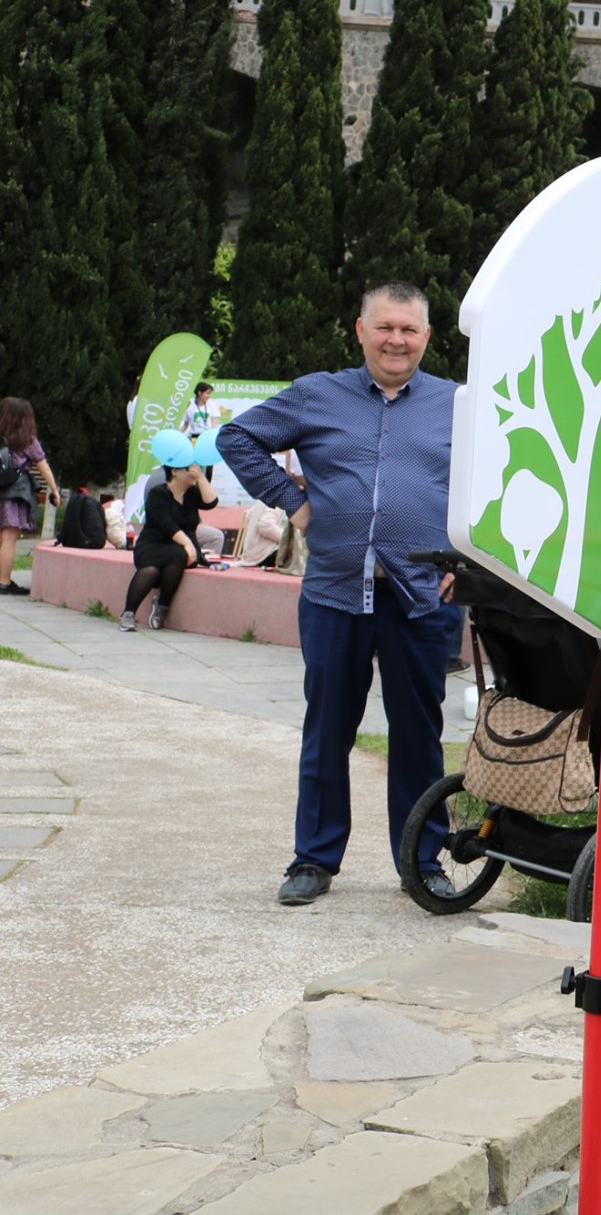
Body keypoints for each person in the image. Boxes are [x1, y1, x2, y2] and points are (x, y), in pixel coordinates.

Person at [217, 282, 465, 909]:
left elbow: (499, 483)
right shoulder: (317, 394)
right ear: (360, 330)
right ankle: (314, 858)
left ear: (427, 337)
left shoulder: (459, 406)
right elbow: (237, 438)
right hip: (334, 593)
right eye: (384, 327)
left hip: (423, 597)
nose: (395, 340)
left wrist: (471, 562)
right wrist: (294, 504)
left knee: (418, 734)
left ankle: (421, 861)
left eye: (408, 329)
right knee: (327, 729)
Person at [119, 463, 217, 631]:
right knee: (151, 570)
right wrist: (188, 545)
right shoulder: (158, 493)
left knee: (178, 556)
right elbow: (167, 525)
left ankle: (162, 606)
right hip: (153, 545)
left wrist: (201, 476)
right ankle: (128, 613)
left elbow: (211, 502)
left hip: (181, 550)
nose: (193, 473)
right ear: (175, 472)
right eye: (189, 470)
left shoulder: (192, 493)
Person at [0, 399, 61, 596]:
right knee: (9, 539)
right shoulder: (27, 441)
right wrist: (54, 490)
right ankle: (3, 582)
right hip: (15, 494)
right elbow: (44, 468)